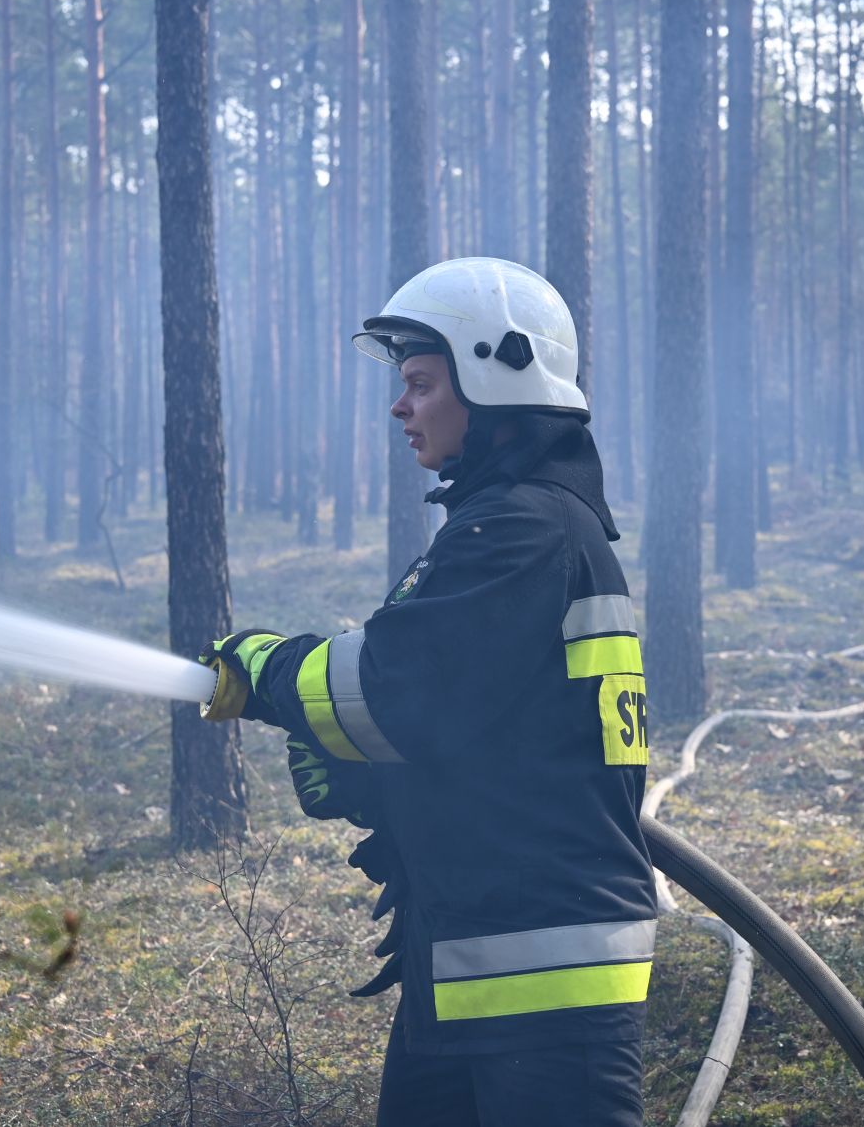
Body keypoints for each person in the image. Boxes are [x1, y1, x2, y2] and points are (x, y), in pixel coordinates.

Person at [201, 257, 655, 1126]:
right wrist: (378, 780)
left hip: (543, 984)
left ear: (492, 380)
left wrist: (267, 669)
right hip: (477, 959)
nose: (400, 407)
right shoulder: (517, 525)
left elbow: (392, 690)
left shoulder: (522, 529)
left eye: (419, 383)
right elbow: (499, 733)